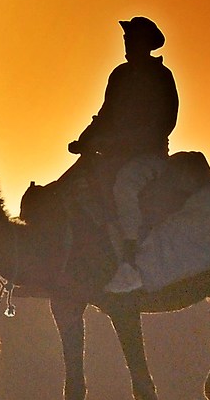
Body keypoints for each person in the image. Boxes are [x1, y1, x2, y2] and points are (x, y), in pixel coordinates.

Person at [67, 16, 180, 263]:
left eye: (132, 39)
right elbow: (105, 114)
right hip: (112, 155)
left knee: (125, 187)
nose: (127, 44)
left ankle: (131, 249)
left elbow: (163, 125)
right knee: (74, 185)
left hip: (149, 157)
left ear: (145, 43)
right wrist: (84, 139)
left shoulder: (161, 76)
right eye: (126, 39)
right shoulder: (119, 75)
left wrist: (116, 143)